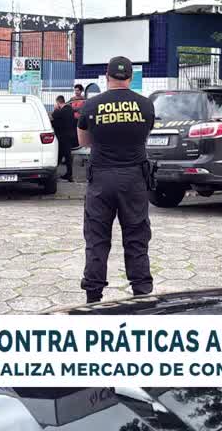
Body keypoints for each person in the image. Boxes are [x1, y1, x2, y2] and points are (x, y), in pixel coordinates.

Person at [74, 56, 156, 303]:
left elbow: (83, 142)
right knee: (136, 237)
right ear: (130, 77)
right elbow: (144, 135)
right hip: (134, 179)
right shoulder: (146, 105)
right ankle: (141, 292)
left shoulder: (91, 105)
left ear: (107, 76)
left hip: (101, 179)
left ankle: (93, 296)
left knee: (97, 238)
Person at [50, 95, 78, 182]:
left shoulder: (60, 111)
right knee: (62, 155)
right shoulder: (70, 109)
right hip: (70, 135)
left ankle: (68, 175)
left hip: (63, 137)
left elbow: (54, 118)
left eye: (56, 103)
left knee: (66, 156)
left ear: (58, 102)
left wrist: (55, 109)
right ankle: (64, 174)